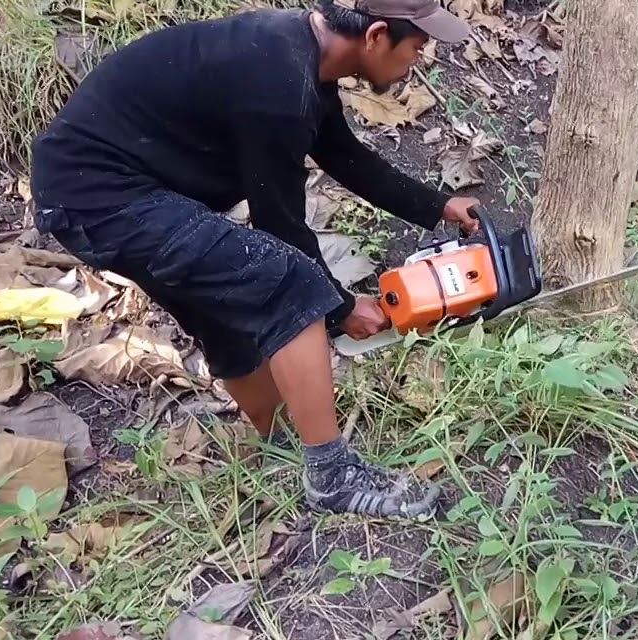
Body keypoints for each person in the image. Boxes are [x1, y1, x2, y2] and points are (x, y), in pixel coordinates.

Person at [29, 0, 477, 519]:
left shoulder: (296, 54)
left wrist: (437, 205)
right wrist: (340, 308)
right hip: (101, 195)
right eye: (417, 47)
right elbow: (281, 224)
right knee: (291, 283)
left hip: (107, 187)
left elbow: (346, 156)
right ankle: (332, 477)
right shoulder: (279, 89)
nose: (418, 60)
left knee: (224, 306)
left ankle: (281, 444)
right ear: (376, 36)